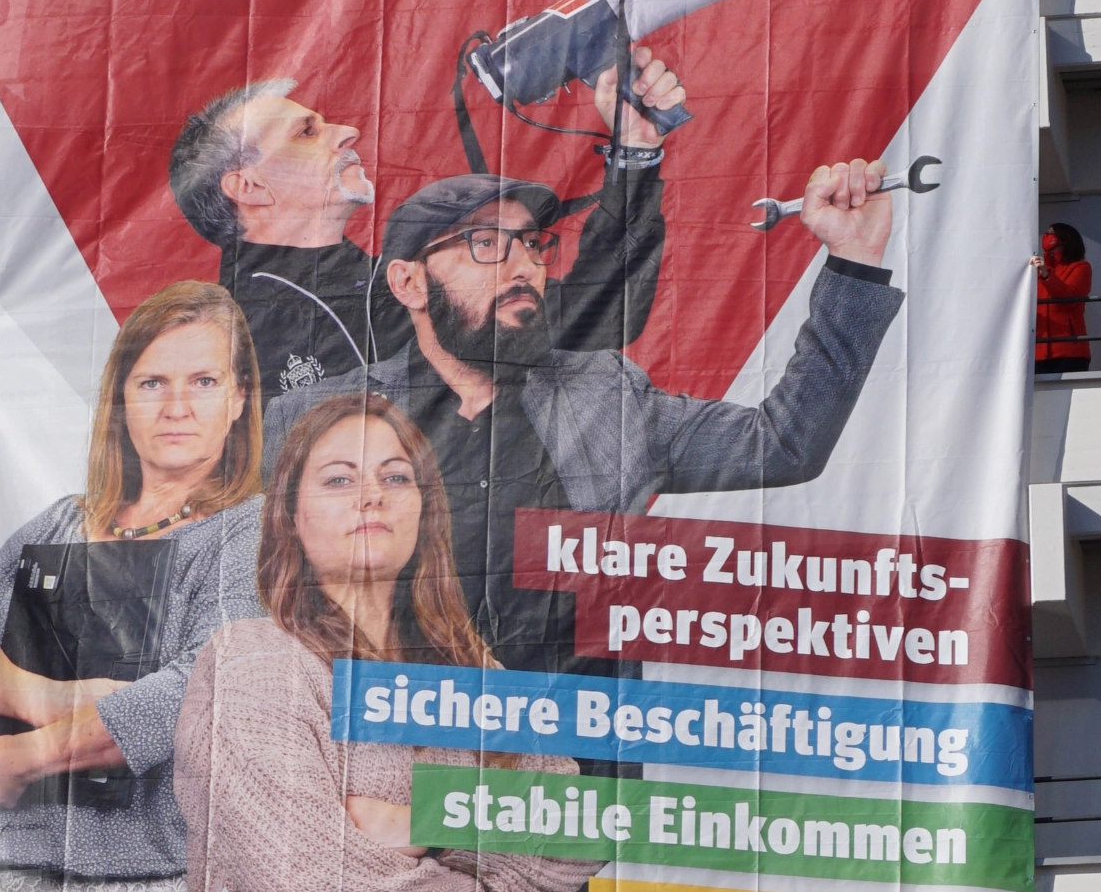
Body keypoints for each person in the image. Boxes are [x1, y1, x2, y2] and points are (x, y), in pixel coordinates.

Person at [264, 161, 906, 680]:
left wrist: (855, 260)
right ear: (408, 282)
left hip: (571, 787)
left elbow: (785, 443)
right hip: (380, 769)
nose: (523, 269)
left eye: (533, 247)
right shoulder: (316, 421)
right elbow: (268, 602)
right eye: (485, 244)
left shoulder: (606, 395)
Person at [175, 393, 603, 892]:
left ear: (425, 509)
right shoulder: (253, 662)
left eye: (396, 476)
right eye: (339, 479)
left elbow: (578, 834)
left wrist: (427, 823)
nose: (372, 495)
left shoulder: (472, 667)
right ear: (290, 516)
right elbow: (305, 879)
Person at [0, 281, 266, 890]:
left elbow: (202, 692)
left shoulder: (252, 529)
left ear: (240, 399)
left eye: (204, 381)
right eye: (152, 383)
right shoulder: (62, 519)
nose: (176, 407)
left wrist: (28, 755)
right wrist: (45, 698)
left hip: (145, 877)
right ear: (121, 398)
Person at [166, 47, 686, 403]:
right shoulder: (216, 339)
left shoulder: (399, 283)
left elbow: (601, 316)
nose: (348, 132)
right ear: (250, 188)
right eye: (307, 132)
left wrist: (634, 153)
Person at [1031, 222, 1093, 373]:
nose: (1046, 236)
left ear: (1064, 239)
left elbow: (1070, 299)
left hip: (1070, 353)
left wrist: (1046, 275)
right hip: (1038, 352)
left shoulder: (1080, 267)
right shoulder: (1037, 272)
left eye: (1051, 233)